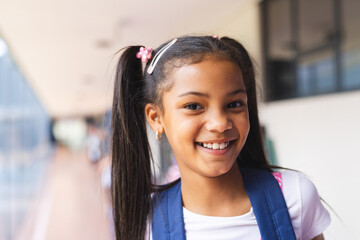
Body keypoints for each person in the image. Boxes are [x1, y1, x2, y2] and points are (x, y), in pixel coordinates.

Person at [110, 36, 331, 240]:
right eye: (194, 106)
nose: (220, 123)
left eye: (234, 104)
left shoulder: (295, 196)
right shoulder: (145, 223)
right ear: (156, 117)